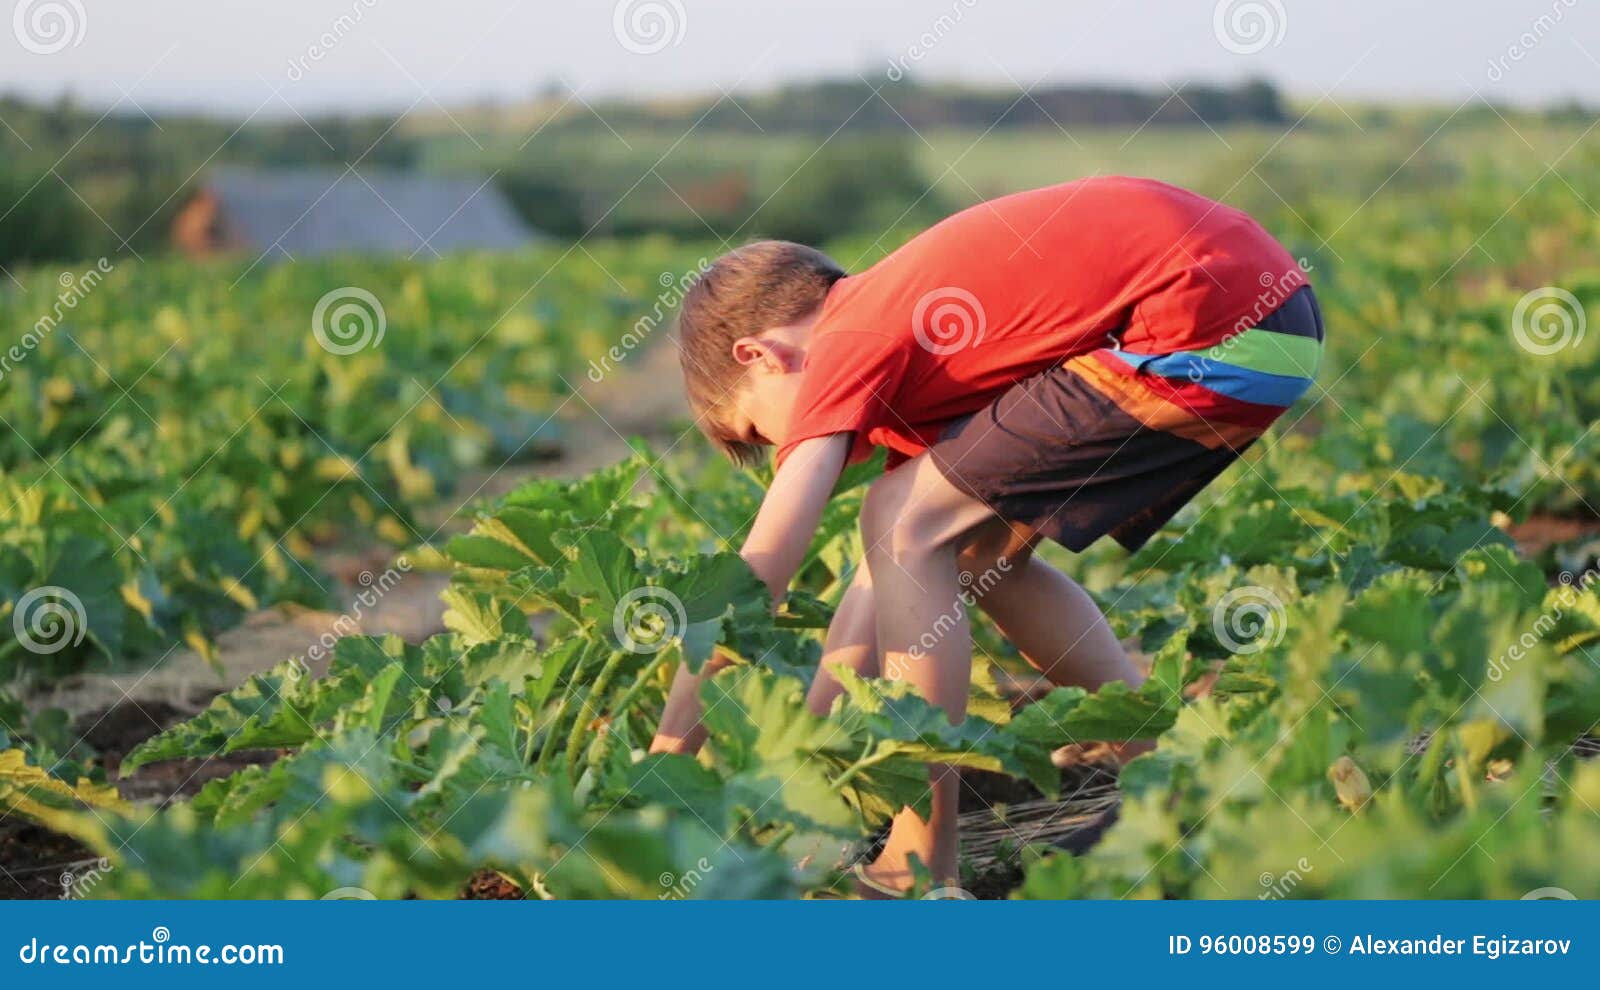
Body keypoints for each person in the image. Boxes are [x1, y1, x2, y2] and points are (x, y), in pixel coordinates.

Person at [648, 176, 1323, 894]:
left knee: (905, 525)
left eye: (757, 428)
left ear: (760, 356)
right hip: (1268, 323)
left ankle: (916, 866)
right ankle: (1173, 775)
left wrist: (666, 758)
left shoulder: (848, 333)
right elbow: (876, 591)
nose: (778, 447)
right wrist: (803, 761)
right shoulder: (911, 353)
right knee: (972, 553)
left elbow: (761, 575)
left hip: (1207, 318)